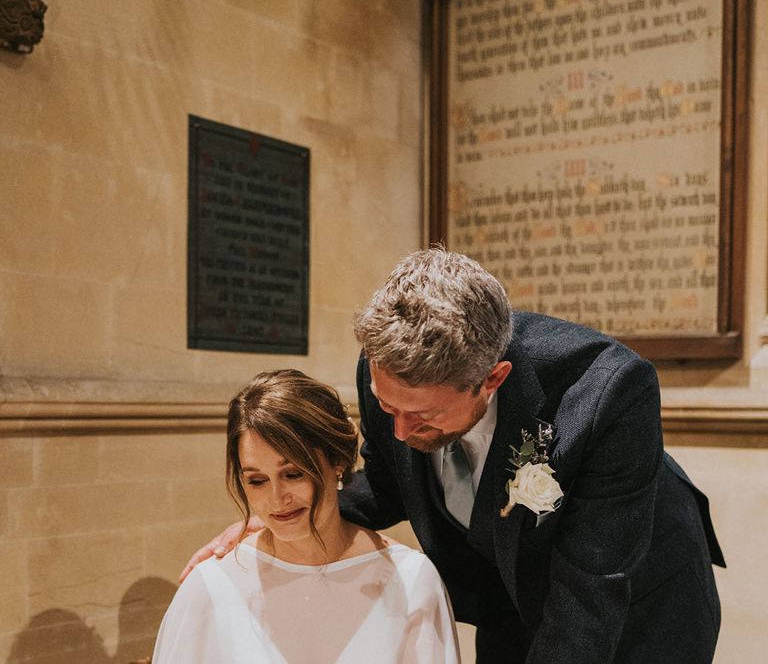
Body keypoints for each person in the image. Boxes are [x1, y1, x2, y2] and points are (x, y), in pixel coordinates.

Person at [183, 249, 725, 663]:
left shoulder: (608, 392)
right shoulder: (383, 373)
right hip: (511, 591)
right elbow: (390, 484)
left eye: (421, 417)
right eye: (385, 406)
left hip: (637, 599)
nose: (398, 430)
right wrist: (284, 516)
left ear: (492, 380)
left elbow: (589, 590)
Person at [157, 369, 460, 663]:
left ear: (337, 462)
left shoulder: (412, 581)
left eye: (293, 474)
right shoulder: (209, 587)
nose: (277, 499)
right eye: (257, 480)